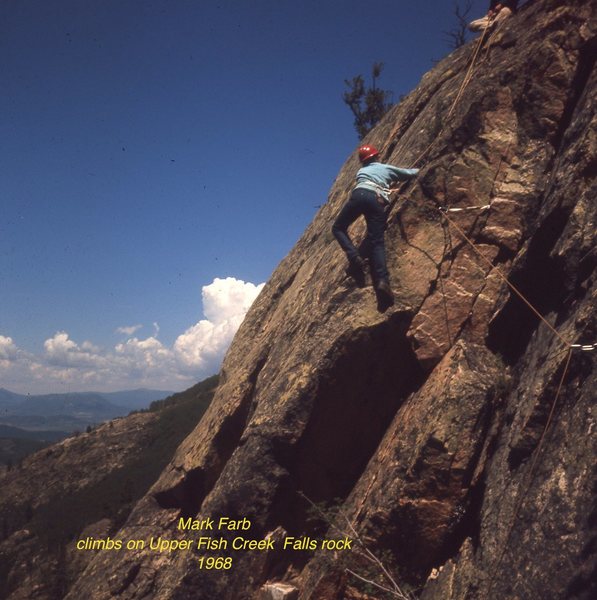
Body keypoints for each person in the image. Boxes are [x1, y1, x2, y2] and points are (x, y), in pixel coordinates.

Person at [332, 144, 419, 308]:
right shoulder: (384, 168)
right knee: (377, 242)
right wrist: (418, 170)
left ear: (363, 161)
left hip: (359, 195)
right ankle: (382, 281)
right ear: (376, 156)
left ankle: (354, 256)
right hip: (376, 199)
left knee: (338, 227)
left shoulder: (361, 172)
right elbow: (408, 174)